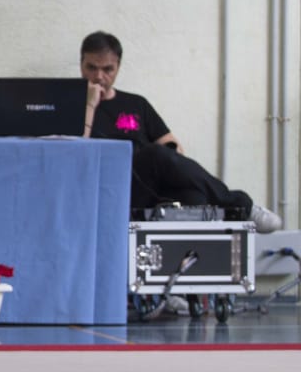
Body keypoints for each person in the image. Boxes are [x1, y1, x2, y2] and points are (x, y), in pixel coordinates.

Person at [78, 30, 279, 233]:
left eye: (107, 69)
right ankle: (242, 205)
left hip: (147, 185)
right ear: (81, 65)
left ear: (118, 67)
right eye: (92, 68)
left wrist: (170, 157)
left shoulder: (136, 103)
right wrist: (89, 105)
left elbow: (172, 144)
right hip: (103, 188)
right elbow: (73, 151)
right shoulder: (70, 105)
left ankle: (226, 226)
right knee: (153, 154)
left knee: (195, 197)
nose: (99, 77)